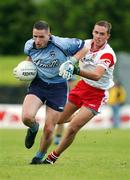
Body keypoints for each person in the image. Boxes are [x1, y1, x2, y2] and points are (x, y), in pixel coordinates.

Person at [13, 20, 88, 164]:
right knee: (27, 118)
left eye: (41, 37)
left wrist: (72, 61)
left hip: (58, 88)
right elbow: (29, 58)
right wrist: (23, 69)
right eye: (35, 36)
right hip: (38, 84)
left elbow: (85, 47)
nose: (37, 40)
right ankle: (33, 128)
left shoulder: (63, 43)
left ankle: (38, 157)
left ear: (49, 35)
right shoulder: (29, 45)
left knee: (49, 129)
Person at [43, 20, 117, 165]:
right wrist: (50, 38)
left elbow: (97, 75)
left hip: (97, 94)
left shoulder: (107, 54)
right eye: (96, 32)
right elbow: (65, 45)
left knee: (72, 128)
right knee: (58, 120)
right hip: (82, 86)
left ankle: (53, 157)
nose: (98, 36)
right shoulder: (86, 44)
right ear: (92, 32)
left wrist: (75, 69)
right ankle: (76, 117)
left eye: (102, 34)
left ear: (108, 36)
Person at [54, 76, 77, 145]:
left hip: (64, 99)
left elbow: (72, 86)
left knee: (61, 118)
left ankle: (58, 138)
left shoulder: (68, 69)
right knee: (55, 118)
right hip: (54, 97)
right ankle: (53, 137)